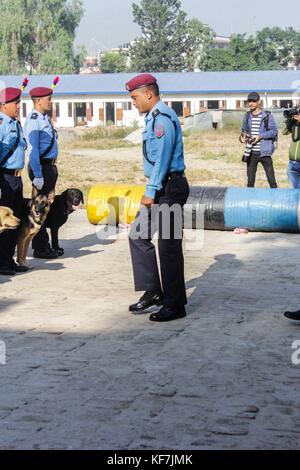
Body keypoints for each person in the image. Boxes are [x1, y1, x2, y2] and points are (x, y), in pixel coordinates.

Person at [126, 73, 190, 322]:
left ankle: (175, 304)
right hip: (160, 186)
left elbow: (162, 159)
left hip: (169, 187)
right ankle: (153, 290)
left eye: (135, 97)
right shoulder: (152, 119)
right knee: (137, 235)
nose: (134, 102)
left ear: (149, 93)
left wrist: (151, 191)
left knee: (168, 246)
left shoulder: (163, 119)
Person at [24, 86, 59, 259]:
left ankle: (45, 245)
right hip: (42, 168)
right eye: (48, 99)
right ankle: (40, 248)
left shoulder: (44, 118)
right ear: (38, 101)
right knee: (39, 209)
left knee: (46, 208)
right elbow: (33, 151)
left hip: (49, 167)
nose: (51, 102)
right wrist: (38, 174)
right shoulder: (34, 120)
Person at [0, 87, 27, 275]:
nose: (18, 106)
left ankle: (8, 259)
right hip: (5, 178)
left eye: (18, 103)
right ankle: (2, 262)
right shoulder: (1, 126)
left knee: (15, 221)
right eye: (15, 103)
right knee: (5, 222)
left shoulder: (16, 124)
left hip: (17, 178)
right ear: (3, 106)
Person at [241, 92, 278, 188]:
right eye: (249, 101)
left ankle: (275, 201)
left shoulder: (267, 115)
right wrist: (243, 135)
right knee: (250, 182)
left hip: (265, 152)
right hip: (251, 153)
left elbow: (274, 131)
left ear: (259, 102)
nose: (251, 103)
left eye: (254, 101)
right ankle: (250, 200)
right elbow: (243, 130)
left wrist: (260, 136)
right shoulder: (247, 116)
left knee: (272, 181)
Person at [283, 109, 300, 188]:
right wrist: (290, 120)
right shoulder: (295, 124)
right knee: (293, 190)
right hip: (293, 163)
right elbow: (284, 132)